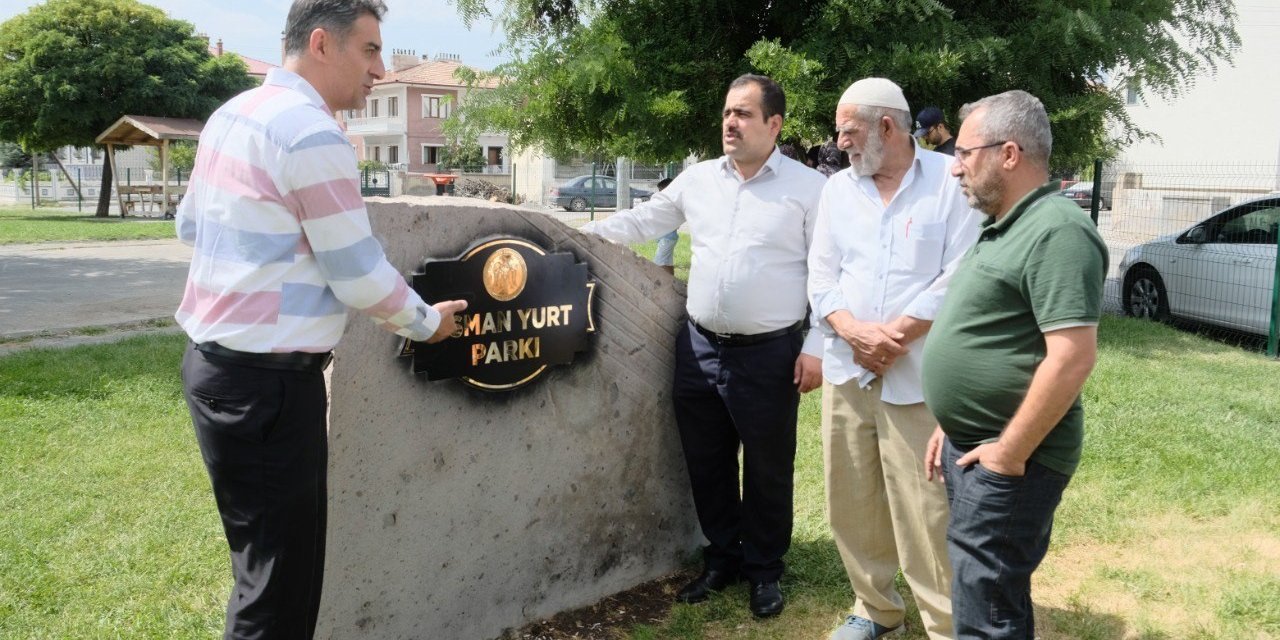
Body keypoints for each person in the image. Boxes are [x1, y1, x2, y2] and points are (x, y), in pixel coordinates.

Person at [174, 1, 466, 637]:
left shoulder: (232, 115)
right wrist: (425, 323)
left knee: (260, 570)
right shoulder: (311, 131)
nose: (380, 70)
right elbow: (358, 271)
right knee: (279, 593)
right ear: (320, 44)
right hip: (269, 387)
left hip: (215, 371)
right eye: (369, 50)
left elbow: (189, 225)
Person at [581, 73, 826, 618]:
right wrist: (570, 233)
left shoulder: (810, 189)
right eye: (726, 114)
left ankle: (764, 569)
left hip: (769, 352)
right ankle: (722, 558)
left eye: (743, 113)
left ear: (775, 124)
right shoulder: (699, 179)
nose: (730, 123)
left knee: (766, 466)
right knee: (707, 460)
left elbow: (828, 272)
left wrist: (820, 345)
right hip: (697, 346)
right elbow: (645, 220)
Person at [921, 90, 1107, 639]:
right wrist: (950, 421)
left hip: (1013, 456)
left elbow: (1072, 356)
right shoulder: (1005, 222)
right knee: (992, 590)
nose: (955, 167)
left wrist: (1009, 452)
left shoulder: (1059, 231)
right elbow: (993, 332)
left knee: (985, 607)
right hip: (974, 444)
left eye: (965, 153)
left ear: (1008, 153)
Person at [808, 77, 981, 640]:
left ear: (887, 126)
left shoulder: (950, 182)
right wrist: (854, 332)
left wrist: (895, 337)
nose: (840, 143)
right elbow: (821, 275)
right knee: (851, 499)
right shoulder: (838, 190)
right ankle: (875, 609)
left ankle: (946, 624)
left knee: (926, 509)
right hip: (847, 370)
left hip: (920, 374)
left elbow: (960, 273)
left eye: (849, 131)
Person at [652, 177, 677, 274]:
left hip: (667, 238)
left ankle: (661, 284)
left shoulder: (670, 203)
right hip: (668, 237)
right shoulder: (670, 202)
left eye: (661, 190)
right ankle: (673, 283)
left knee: (658, 262)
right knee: (667, 262)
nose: (659, 193)